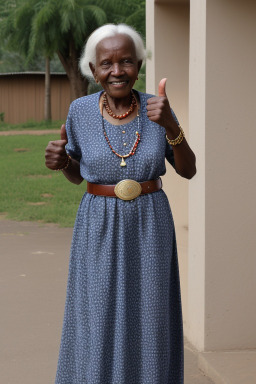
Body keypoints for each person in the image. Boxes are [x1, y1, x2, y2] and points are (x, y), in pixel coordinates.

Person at [45, 23, 196, 384]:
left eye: (126, 61)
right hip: (97, 225)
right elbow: (79, 176)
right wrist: (63, 161)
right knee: (98, 314)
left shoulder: (157, 109)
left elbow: (188, 170)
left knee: (151, 315)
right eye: (107, 63)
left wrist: (173, 126)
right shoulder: (80, 111)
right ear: (93, 70)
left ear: (139, 65)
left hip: (150, 224)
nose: (117, 71)